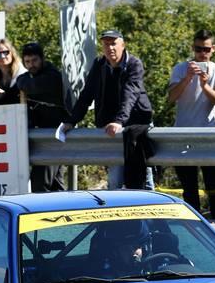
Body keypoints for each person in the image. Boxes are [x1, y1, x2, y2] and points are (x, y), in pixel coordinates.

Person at [61, 30, 154, 190]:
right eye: (106, 44)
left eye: (113, 43)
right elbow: (87, 94)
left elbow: (130, 94)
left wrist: (119, 121)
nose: (110, 48)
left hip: (137, 123)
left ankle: (150, 204)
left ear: (122, 45)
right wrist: (71, 121)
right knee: (115, 179)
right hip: (113, 128)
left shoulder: (134, 64)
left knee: (144, 176)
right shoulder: (99, 64)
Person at [167, 29, 215, 219]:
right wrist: (187, 78)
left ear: (213, 49)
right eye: (198, 49)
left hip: (208, 134)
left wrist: (204, 85)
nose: (202, 54)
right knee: (189, 185)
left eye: (206, 49)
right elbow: (171, 98)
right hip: (183, 134)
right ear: (192, 48)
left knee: (213, 183)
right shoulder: (180, 69)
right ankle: (192, 222)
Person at [16, 42, 69, 193]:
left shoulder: (53, 75)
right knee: (56, 184)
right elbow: (21, 81)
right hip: (44, 137)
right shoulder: (30, 76)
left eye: (34, 60)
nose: (31, 65)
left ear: (42, 59)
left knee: (41, 183)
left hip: (53, 136)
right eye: (27, 62)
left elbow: (32, 85)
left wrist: (24, 83)